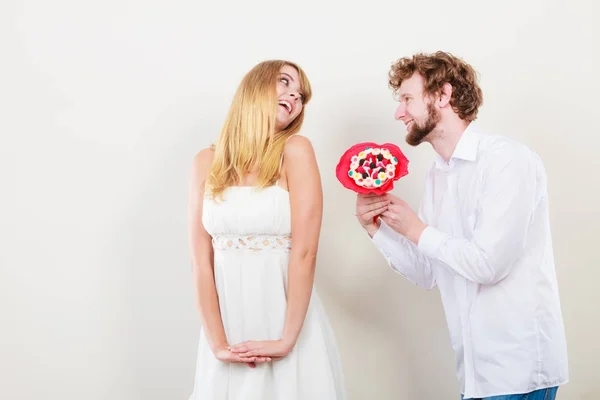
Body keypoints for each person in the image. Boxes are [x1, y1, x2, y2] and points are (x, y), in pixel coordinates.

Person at [355, 51, 568, 400]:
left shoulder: (506, 160)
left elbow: (489, 264)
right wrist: (377, 228)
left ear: (443, 95)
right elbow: (428, 273)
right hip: (474, 373)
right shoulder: (437, 176)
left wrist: (415, 229)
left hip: (518, 369)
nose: (399, 112)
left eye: (407, 98)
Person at [188, 60, 346, 400]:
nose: (294, 95)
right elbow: (201, 262)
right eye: (285, 82)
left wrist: (287, 340)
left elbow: (305, 252)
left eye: (300, 95)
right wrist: (217, 344)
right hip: (226, 330)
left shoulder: (295, 151)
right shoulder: (206, 161)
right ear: (254, 87)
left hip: (285, 324)